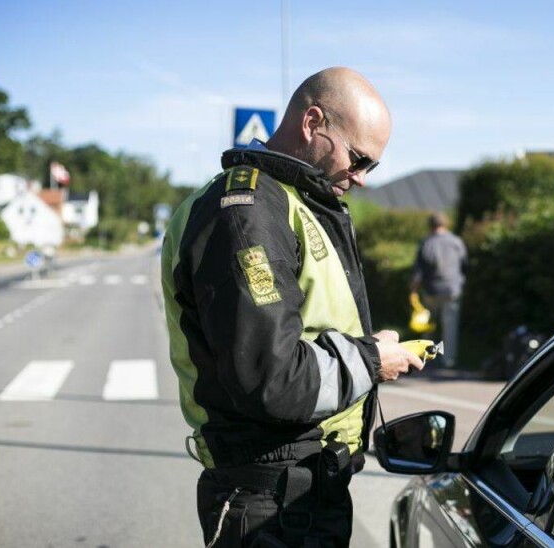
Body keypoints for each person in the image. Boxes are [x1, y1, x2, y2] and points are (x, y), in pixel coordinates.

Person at [160, 67, 425, 547]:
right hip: (271, 502)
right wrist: (371, 360)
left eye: (374, 167)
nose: (362, 179)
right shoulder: (247, 212)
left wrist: (368, 348)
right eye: (359, 158)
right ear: (312, 122)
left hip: (299, 491)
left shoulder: (290, 202)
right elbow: (271, 378)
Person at [409, 212, 467, 368]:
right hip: (452, 289)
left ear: (430, 225)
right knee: (450, 326)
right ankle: (449, 360)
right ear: (446, 224)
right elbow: (464, 265)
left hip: (431, 290)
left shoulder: (426, 243)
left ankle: (427, 356)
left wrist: (413, 289)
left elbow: (418, 271)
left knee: (429, 325)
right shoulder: (456, 241)